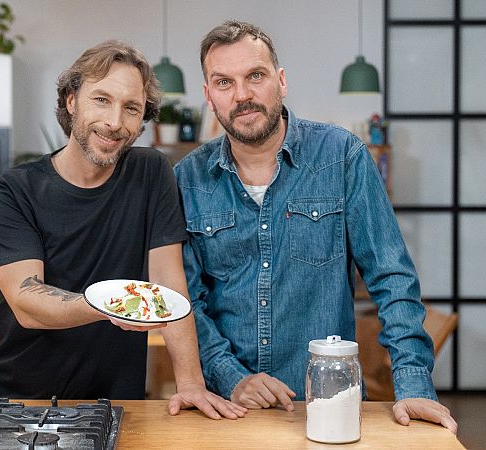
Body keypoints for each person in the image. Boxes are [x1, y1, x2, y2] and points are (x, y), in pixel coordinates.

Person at [173, 20, 457, 432]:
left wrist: (412, 385)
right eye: (223, 82)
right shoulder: (186, 179)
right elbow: (186, 299)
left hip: (330, 407)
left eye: (256, 76)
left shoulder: (342, 157)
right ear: (208, 96)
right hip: (227, 410)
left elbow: (392, 278)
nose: (242, 95)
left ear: (281, 81)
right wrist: (231, 377)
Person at [0, 40, 245, 420]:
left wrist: (190, 384)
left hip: (114, 404)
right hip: (18, 401)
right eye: (101, 100)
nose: (115, 122)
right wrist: (106, 305)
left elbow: (170, 285)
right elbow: (27, 305)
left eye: (131, 108)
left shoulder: (150, 173)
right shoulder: (14, 191)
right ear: (72, 101)